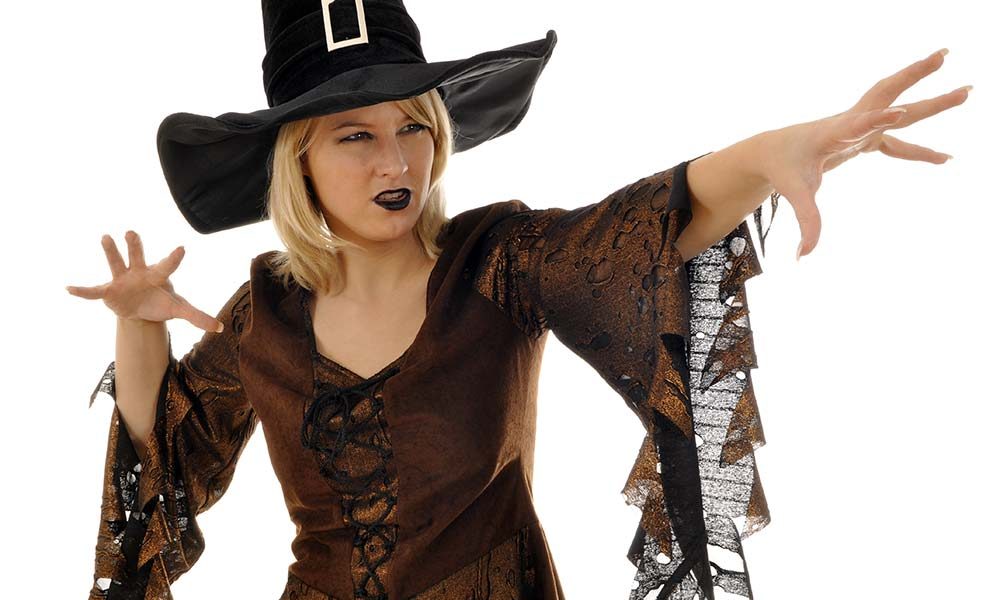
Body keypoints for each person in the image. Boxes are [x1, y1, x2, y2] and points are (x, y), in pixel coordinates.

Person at [66, 1, 971, 599]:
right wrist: (136, 324)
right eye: (354, 137)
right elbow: (162, 466)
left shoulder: (499, 261)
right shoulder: (262, 310)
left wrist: (770, 154)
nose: (396, 160)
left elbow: (644, 225)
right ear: (297, 158)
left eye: (414, 126)